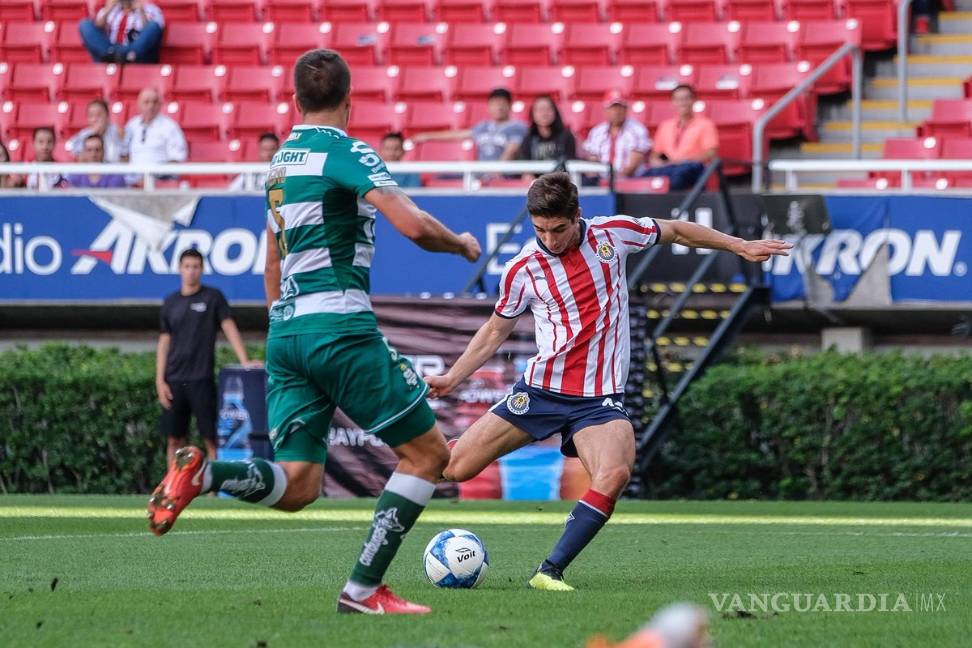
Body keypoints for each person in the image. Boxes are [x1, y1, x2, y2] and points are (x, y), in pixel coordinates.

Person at [147, 49, 482, 616]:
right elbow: (411, 224)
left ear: (295, 102)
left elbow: (272, 261)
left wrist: (283, 324)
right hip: (339, 328)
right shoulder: (347, 151)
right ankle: (362, 590)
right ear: (350, 103)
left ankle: (207, 475)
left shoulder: (279, 165)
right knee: (429, 456)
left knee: (299, 483)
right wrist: (459, 243)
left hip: (287, 333)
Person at [425, 172, 791, 591]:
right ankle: (411, 453)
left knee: (614, 473)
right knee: (454, 469)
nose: (551, 239)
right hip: (541, 391)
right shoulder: (522, 268)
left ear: (577, 216)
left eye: (559, 229)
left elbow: (675, 231)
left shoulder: (612, 235)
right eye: (541, 229)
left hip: (598, 400)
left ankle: (549, 572)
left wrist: (738, 245)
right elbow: (494, 330)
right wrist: (453, 376)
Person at [156, 248, 260, 469]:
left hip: (201, 380)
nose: (191, 271)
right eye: (187, 267)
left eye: (195, 267)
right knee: (174, 440)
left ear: (202, 269)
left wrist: (244, 360)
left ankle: (216, 491)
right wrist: (159, 380)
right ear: (179, 269)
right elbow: (164, 342)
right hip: (174, 381)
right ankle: (172, 489)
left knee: (211, 440)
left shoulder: (212, 297)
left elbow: (229, 327)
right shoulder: (170, 302)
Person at [412, 88, 527, 162]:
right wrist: (427, 136)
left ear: (510, 106)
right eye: (495, 104)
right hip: (481, 173)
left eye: (503, 104)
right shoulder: (483, 126)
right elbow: (457, 135)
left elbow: (511, 150)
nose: (499, 107)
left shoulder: (517, 127)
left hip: (504, 175)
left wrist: (497, 171)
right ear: (489, 106)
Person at [642, 85, 719, 191]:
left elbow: (710, 153)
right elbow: (655, 154)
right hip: (669, 168)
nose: (682, 103)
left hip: (693, 167)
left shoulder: (705, 124)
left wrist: (684, 161)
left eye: (686, 99)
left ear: (693, 100)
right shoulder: (665, 126)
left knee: (679, 175)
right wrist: (656, 161)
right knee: (645, 175)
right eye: (678, 99)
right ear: (673, 102)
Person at [124, 87, 187, 183]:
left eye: (155, 102)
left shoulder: (170, 126)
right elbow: (124, 153)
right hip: (132, 181)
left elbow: (177, 159)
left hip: (161, 181)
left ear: (160, 105)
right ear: (139, 104)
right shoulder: (132, 125)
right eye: (147, 102)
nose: (151, 106)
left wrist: (152, 177)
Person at [584, 90, 651, 178]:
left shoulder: (637, 130)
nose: (617, 111)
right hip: (602, 181)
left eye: (620, 107)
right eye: (613, 107)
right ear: (605, 110)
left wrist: (613, 182)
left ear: (626, 109)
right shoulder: (597, 131)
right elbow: (592, 160)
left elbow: (632, 166)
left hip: (630, 180)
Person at [80, 0, 165, 64]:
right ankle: (114, 54)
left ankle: (126, 54)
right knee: (85, 25)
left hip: (137, 56)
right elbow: (97, 32)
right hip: (109, 53)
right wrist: (108, 9)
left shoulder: (151, 9)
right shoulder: (108, 10)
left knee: (153, 26)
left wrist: (141, 12)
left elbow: (151, 35)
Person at [517, 95, 577, 164]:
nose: (545, 113)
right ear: (533, 114)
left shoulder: (566, 136)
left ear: (555, 112)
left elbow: (571, 160)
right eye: (540, 109)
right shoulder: (528, 139)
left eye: (548, 109)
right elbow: (524, 165)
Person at [67, 99, 125, 163]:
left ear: (107, 116)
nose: (95, 119)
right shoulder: (83, 135)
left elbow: (124, 155)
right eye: (91, 116)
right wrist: (92, 135)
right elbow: (77, 156)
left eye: (98, 115)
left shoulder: (117, 131)